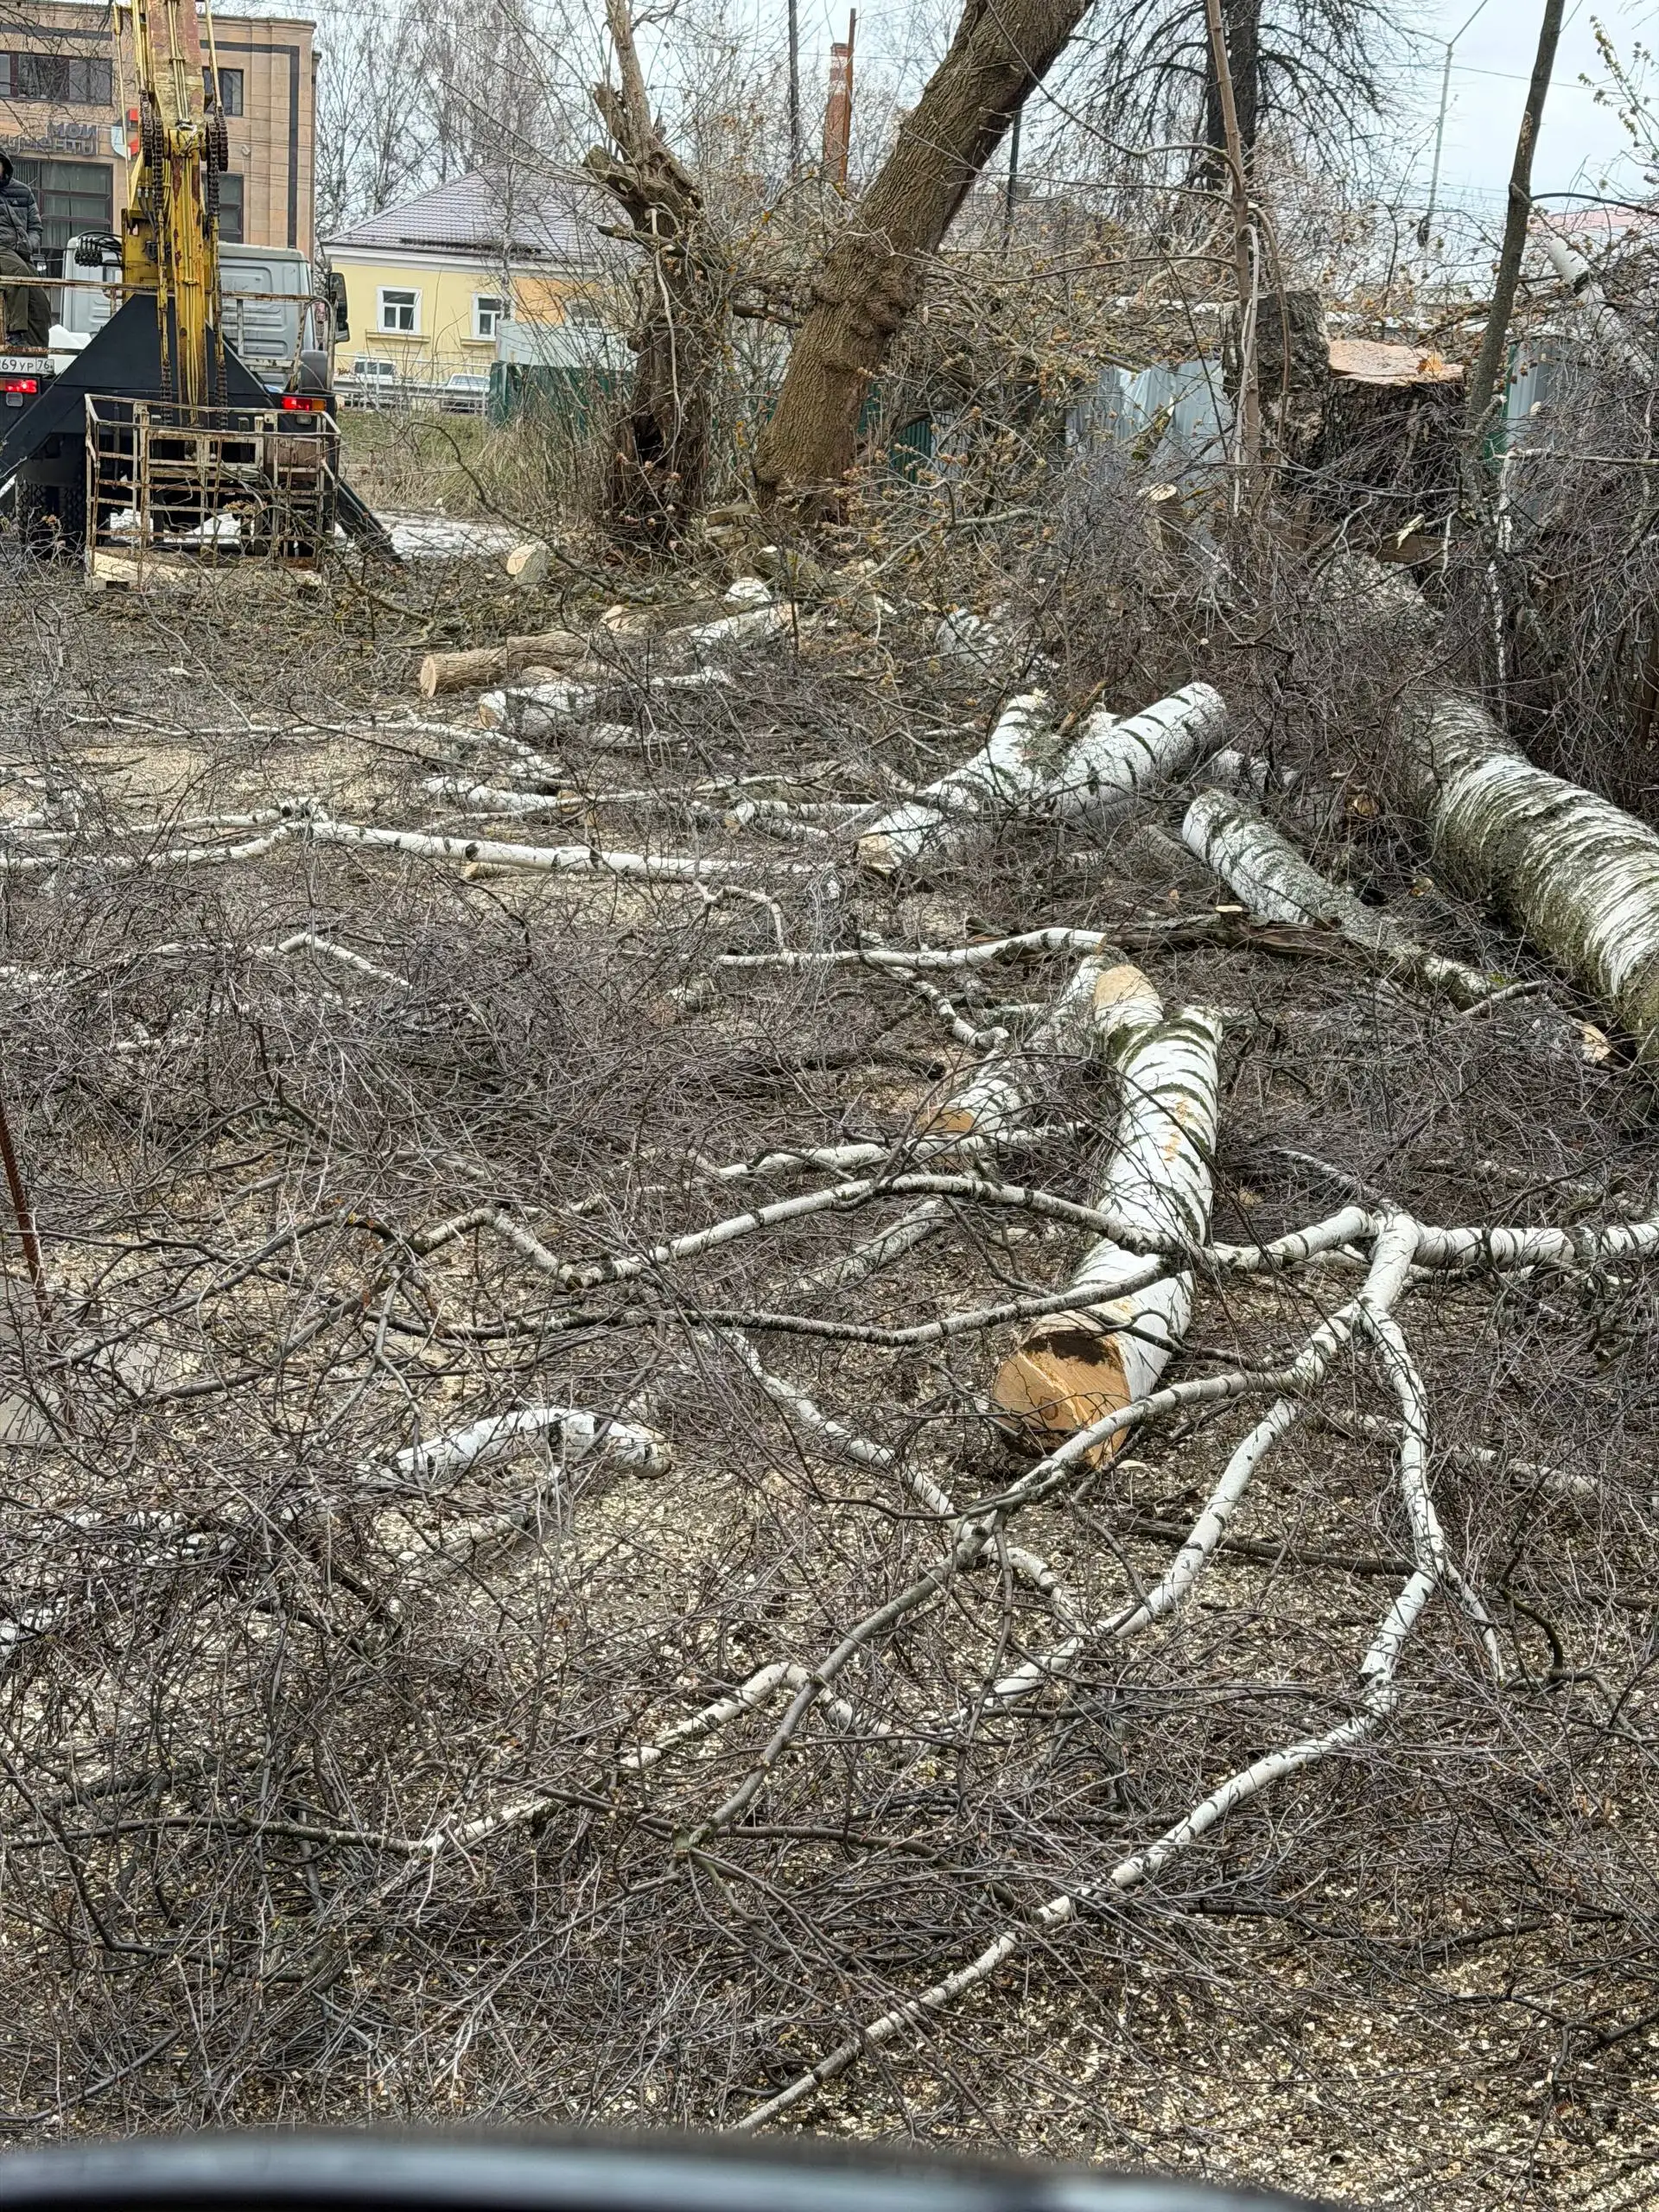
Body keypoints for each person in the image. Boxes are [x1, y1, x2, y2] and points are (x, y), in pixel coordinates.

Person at [0, 153, 50, 351]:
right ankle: (15, 334)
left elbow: (36, 227)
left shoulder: (23, 191)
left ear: (4, 165)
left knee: (41, 303)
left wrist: (29, 244)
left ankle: (37, 356)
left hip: (20, 251)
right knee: (18, 274)